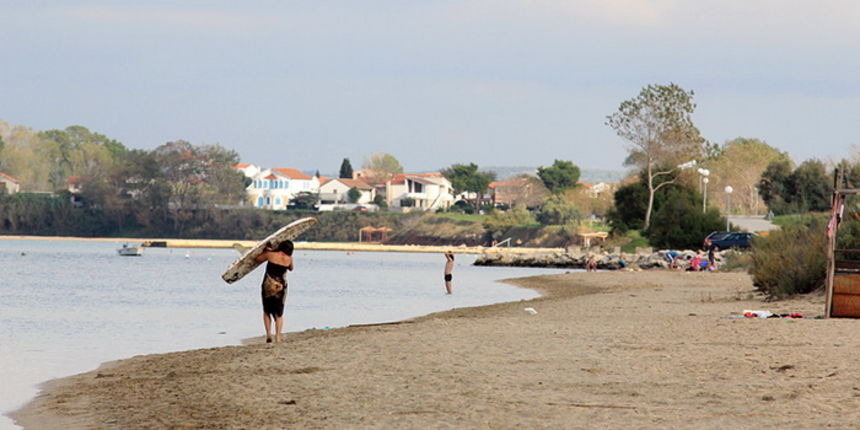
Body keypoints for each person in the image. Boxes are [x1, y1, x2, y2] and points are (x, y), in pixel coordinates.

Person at [254, 240, 294, 343]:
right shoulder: (289, 259)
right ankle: (278, 336)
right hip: (280, 287)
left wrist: (266, 250)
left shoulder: (270, 254)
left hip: (268, 285)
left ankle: (268, 334)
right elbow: (291, 268)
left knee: (267, 311)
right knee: (279, 314)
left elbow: (257, 259)